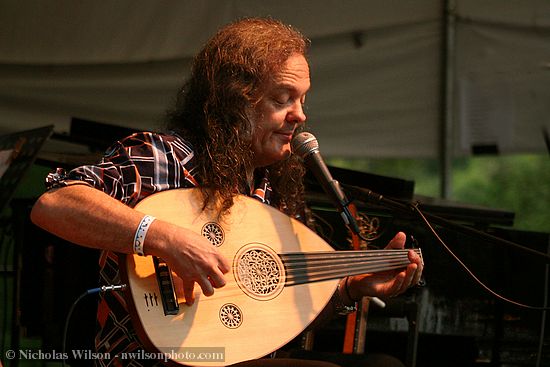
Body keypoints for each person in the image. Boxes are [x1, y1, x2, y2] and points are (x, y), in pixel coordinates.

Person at [31, 17, 423, 367]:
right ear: (234, 100)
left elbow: (275, 318)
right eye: (283, 98)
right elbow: (54, 203)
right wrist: (162, 237)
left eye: (303, 99)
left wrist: (350, 289)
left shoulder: (270, 189)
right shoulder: (162, 156)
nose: (300, 115)